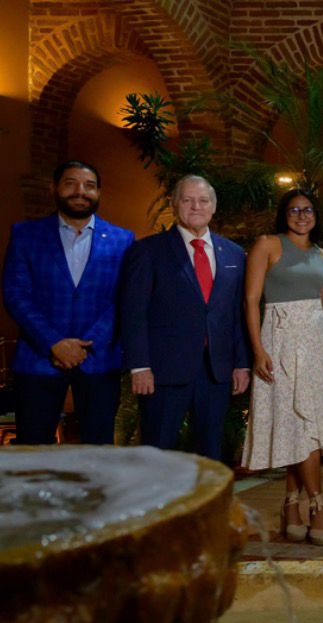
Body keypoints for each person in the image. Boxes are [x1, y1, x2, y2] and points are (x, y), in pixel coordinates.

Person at [3, 160, 134, 445]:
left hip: (98, 358)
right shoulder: (26, 235)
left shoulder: (122, 239)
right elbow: (16, 293)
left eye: (89, 186)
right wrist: (54, 342)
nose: (80, 191)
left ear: (99, 193)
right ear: (54, 188)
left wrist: (88, 344)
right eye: (71, 183)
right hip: (40, 357)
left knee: (97, 450)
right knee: (33, 450)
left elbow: (125, 298)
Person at [120, 174, 250, 460]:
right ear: (175, 205)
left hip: (216, 371)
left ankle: (205, 507)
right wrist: (139, 366)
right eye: (188, 200)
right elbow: (133, 312)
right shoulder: (148, 251)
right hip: (163, 371)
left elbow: (236, 314)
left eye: (203, 200)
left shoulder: (234, 254)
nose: (196, 206)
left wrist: (241, 363)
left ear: (213, 207)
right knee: (158, 452)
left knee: (210, 453)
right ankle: (159, 506)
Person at [241, 189, 323, 545]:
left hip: (317, 345)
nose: (302, 215)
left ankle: (292, 504)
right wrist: (257, 348)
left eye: (308, 210)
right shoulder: (267, 245)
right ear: (284, 215)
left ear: (317, 215)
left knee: (309, 425)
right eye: (294, 210)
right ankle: (317, 503)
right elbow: (251, 300)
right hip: (279, 340)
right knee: (292, 423)